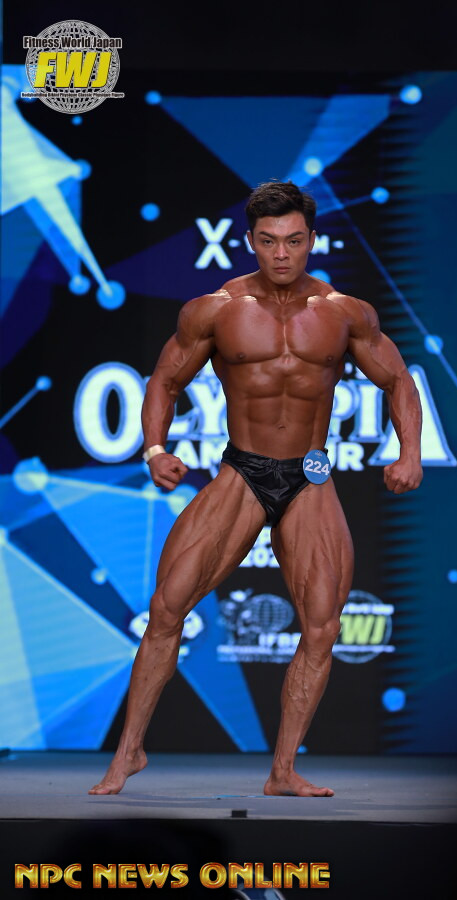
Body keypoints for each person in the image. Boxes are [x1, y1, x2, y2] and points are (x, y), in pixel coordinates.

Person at [89, 180, 423, 798]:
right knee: (166, 608)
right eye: (268, 241)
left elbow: (398, 380)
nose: (281, 254)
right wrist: (156, 449)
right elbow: (164, 380)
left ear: (312, 240)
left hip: (310, 475)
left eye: (293, 241)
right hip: (243, 470)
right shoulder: (215, 310)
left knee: (322, 627)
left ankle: (283, 770)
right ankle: (129, 752)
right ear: (250, 241)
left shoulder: (345, 313)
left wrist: (410, 453)